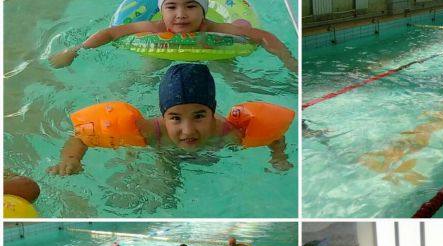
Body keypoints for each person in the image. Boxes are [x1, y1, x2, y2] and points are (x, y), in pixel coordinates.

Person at [48, 63, 292, 175]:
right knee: (166, 187)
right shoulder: (150, 132)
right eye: (175, 118)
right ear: (163, 116)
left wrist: (278, 156)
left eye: (199, 116)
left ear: (213, 111)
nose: (188, 130)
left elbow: (273, 135)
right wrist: (70, 160)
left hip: (211, 154)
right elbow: (82, 136)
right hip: (166, 152)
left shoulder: (229, 132)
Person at [49, 0, 297, 72]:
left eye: (191, 6)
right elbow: (111, 32)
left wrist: (287, 59)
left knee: (237, 81)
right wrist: (75, 50)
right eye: (171, 7)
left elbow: (261, 36)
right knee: (143, 75)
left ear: (204, 9)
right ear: (161, 9)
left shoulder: (213, 27)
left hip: (213, 51)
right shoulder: (154, 27)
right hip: (161, 50)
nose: (180, 14)